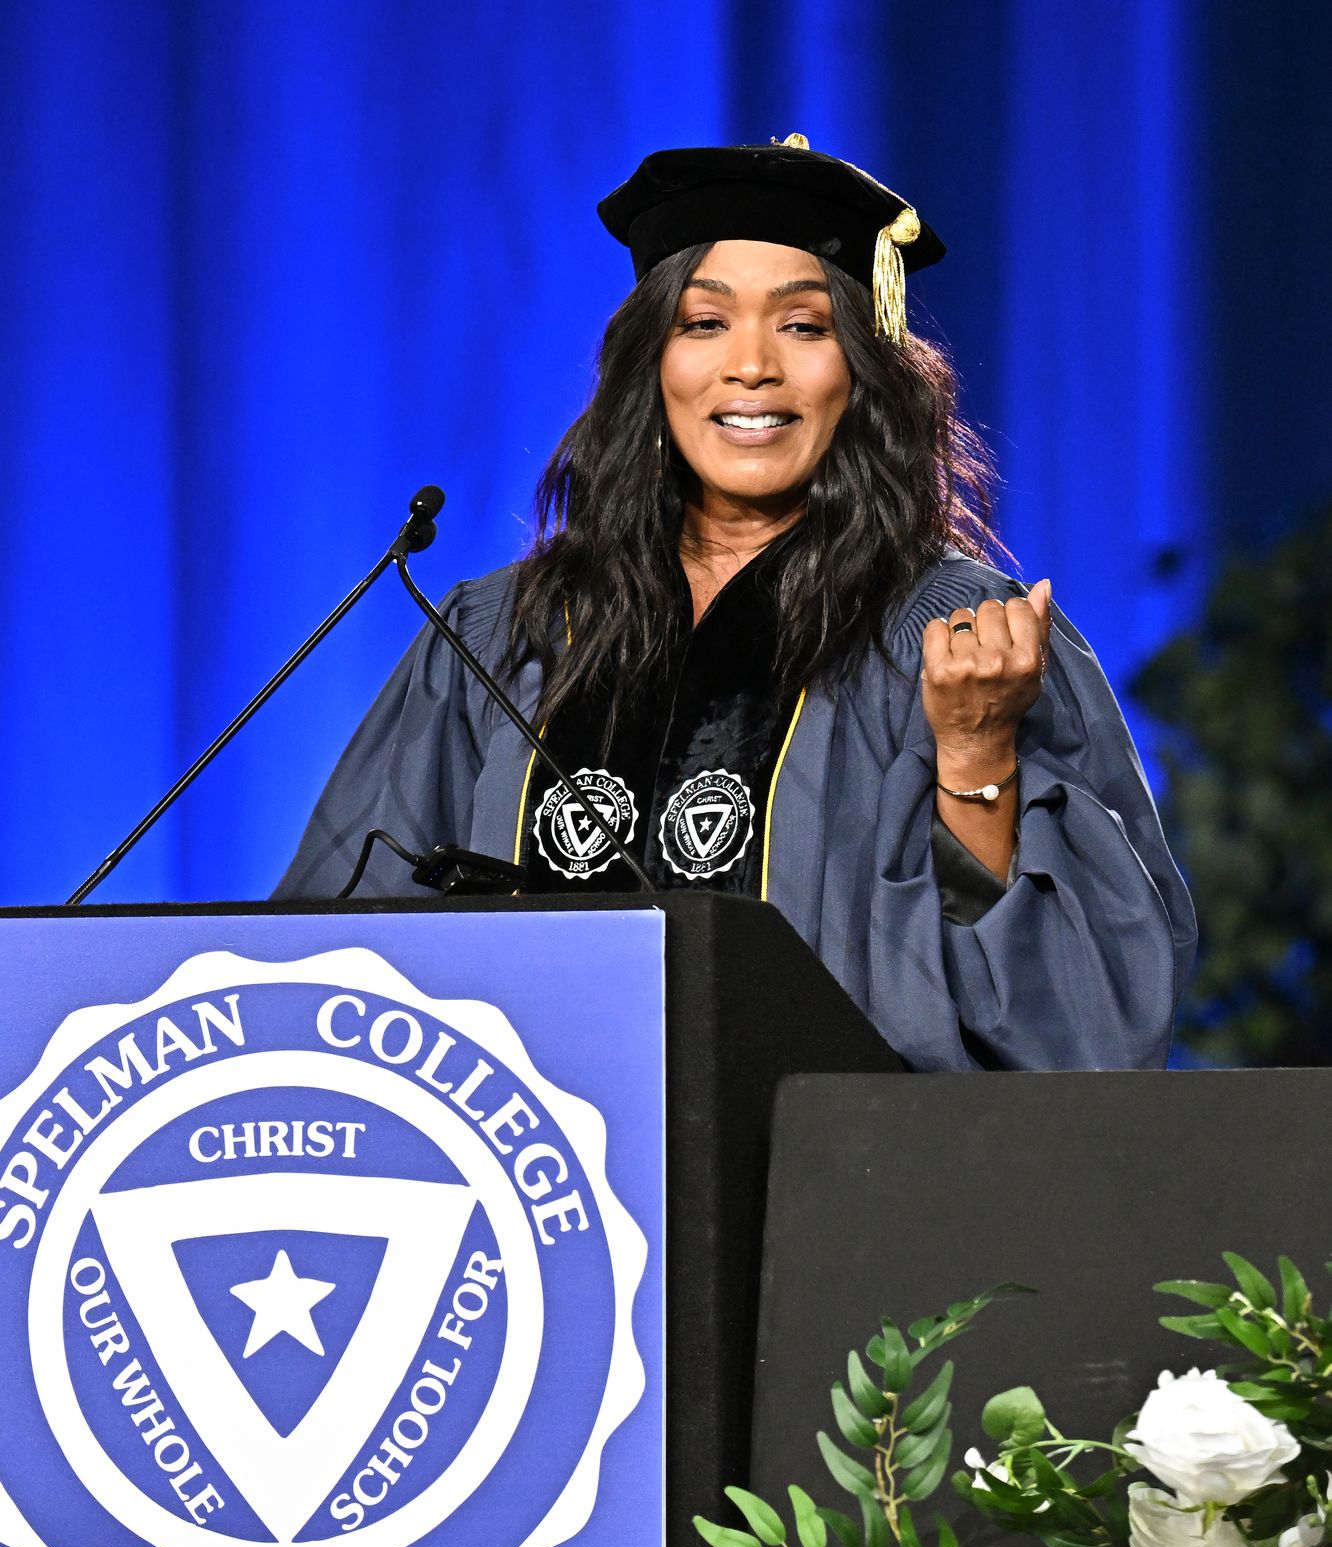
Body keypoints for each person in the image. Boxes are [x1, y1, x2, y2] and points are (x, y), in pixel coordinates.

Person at [277, 137, 1195, 1071]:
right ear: (652, 365)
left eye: (804, 327)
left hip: (828, 1185)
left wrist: (974, 753)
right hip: (538, 1193)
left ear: (861, 372)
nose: (751, 366)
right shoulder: (508, 632)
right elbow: (328, 955)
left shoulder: (950, 633)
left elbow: (1084, 1027)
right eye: (703, 323)